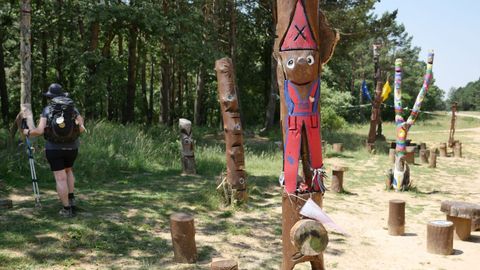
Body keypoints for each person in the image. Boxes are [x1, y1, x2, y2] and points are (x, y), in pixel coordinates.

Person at [23, 83, 85, 217]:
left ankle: (66, 209)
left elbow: (39, 131)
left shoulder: (47, 109)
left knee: (60, 178)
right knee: (68, 172)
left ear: (50, 96)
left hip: (54, 149)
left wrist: (27, 131)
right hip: (72, 148)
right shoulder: (73, 109)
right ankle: (71, 201)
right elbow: (81, 128)